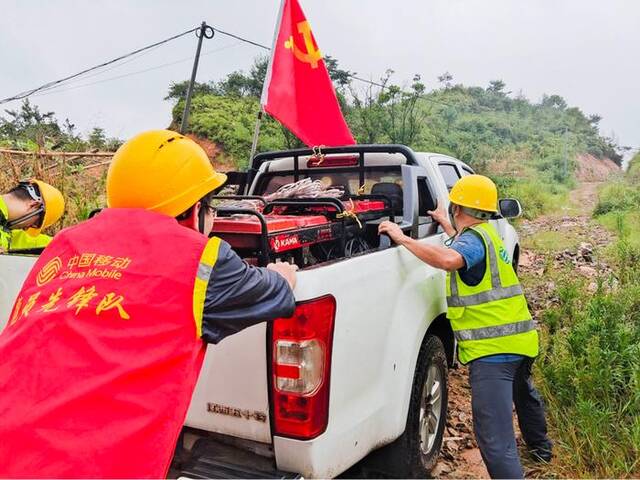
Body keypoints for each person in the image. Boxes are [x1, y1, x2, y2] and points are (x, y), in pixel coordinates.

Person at [0, 130, 298, 478]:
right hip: (83, 466)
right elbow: (275, 293)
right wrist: (282, 275)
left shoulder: (66, 243)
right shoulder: (201, 259)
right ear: (196, 209)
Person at [378, 174, 552, 479]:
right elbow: (463, 244)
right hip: (521, 340)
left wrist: (403, 238)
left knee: (495, 442)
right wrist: (445, 225)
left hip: (494, 352)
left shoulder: (471, 242)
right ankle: (541, 448)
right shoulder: (485, 234)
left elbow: (450, 258)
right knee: (524, 394)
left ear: (458, 208)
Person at [0, 179, 65, 253]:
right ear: (34, 205)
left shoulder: (5, 230)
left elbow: (29, 240)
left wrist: (64, 244)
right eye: (35, 224)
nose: (26, 228)